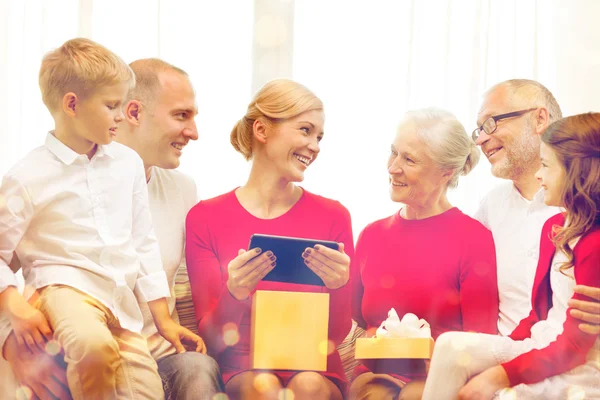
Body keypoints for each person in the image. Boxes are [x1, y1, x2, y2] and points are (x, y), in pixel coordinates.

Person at [0, 39, 203, 399]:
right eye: (113, 106)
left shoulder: (126, 165)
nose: (120, 116)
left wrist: (165, 319)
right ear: (72, 105)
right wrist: (14, 309)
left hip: (119, 304)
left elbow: (144, 245)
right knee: (92, 345)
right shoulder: (27, 176)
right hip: (64, 288)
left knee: (145, 389)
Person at [185, 78, 354, 400]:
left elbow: (336, 335)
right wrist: (235, 292)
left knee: (308, 386)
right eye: (305, 130)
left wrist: (339, 285)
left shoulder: (334, 216)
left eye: (319, 137)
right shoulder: (205, 217)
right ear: (262, 131)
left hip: (316, 368)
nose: (315, 146)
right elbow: (212, 337)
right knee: (260, 388)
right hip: (243, 368)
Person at [422, 112, 600, 399]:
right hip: (541, 342)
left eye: (546, 165)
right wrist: (500, 352)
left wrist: (501, 373)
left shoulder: (594, 244)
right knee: (450, 346)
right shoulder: (553, 228)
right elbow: (538, 312)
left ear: (576, 171)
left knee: (506, 395)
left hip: (578, 365)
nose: (539, 175)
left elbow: (575, 346)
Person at [348, 108, 500, 400]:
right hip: (372, 376)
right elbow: (356, 319)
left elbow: (480, 339)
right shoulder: (371, 235)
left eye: (409, 159)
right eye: (394, 153)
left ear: (446, 172)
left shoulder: (473, 239)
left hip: (440, 376)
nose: (393, 167)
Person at [471, 79, 600, 337]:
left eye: (491, 123)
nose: (481, 139)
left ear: (540, 119)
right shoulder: (490, 207)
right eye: (479, 130)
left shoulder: (590, 204)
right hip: (504, 362)